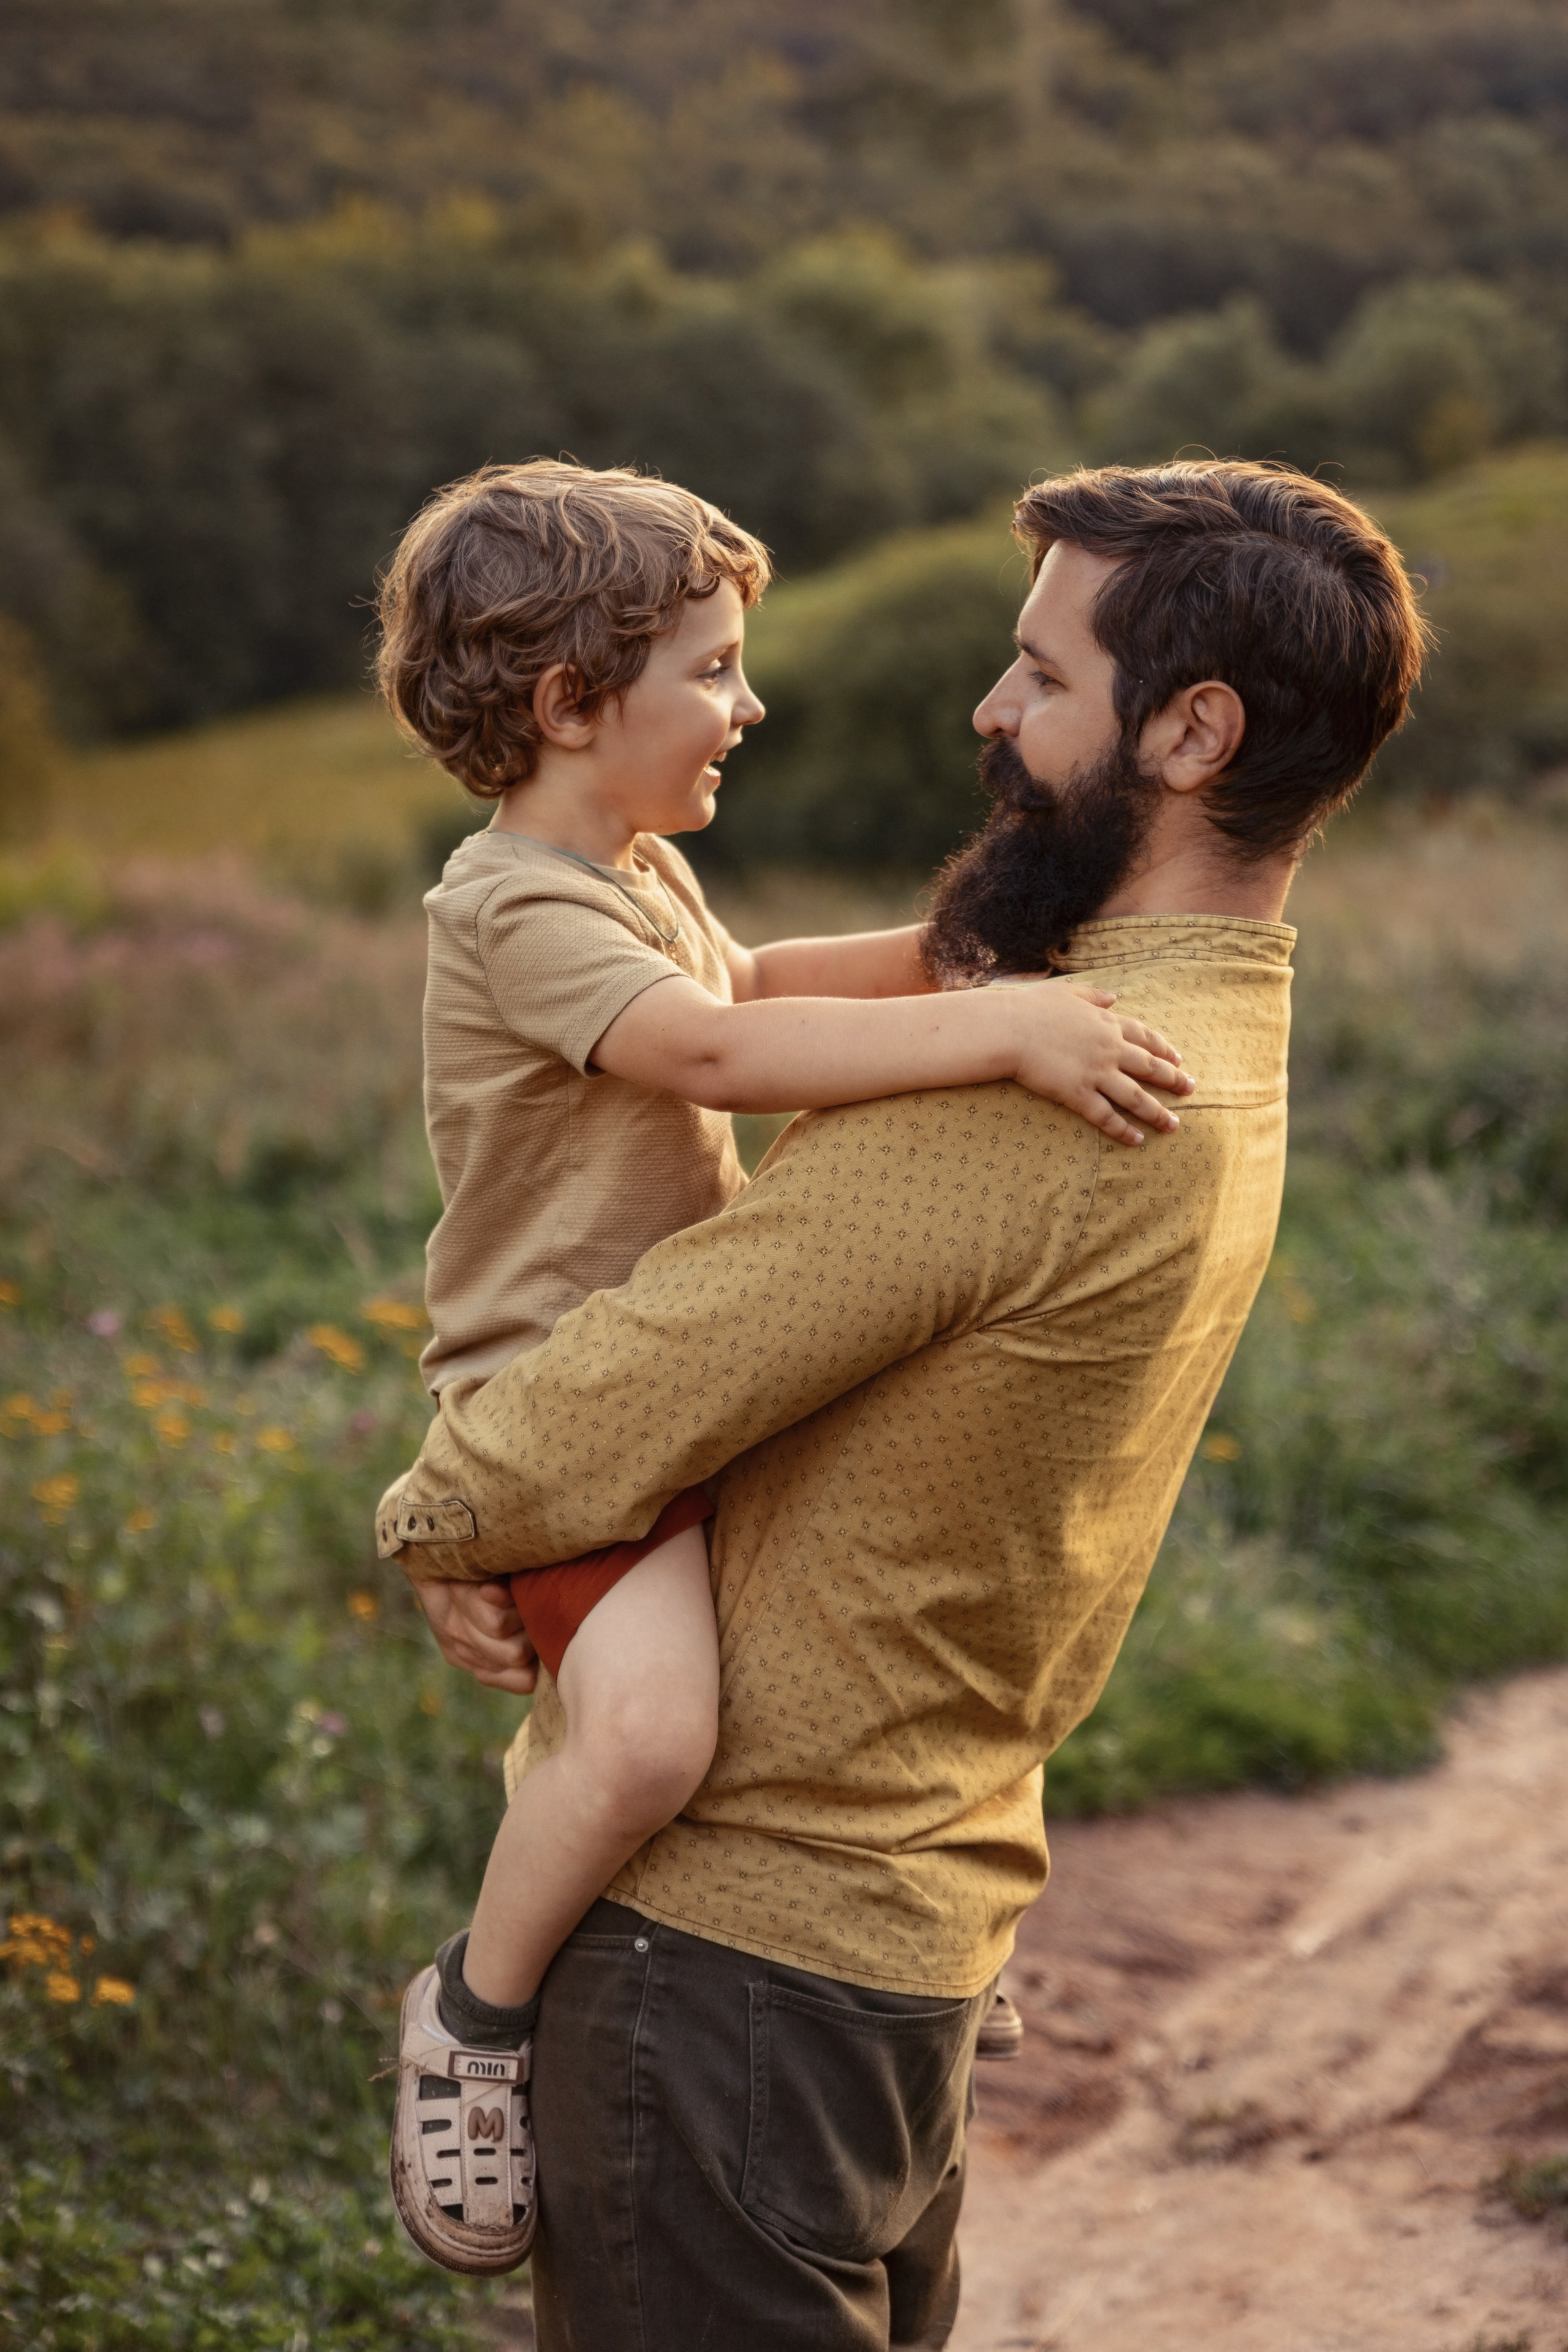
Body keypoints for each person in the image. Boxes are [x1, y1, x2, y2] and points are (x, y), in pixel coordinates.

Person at [385, 458, 1428, 2350]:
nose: (987, 712)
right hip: (905, 1931)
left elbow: (546, 1448)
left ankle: (470, 2003)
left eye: (1038, 677)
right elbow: (713, 1051)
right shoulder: (1217, 1033)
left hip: (737, 1969)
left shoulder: (1034, 1102)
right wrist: (991, 985)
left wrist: (449, 1527)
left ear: (1194, 732)